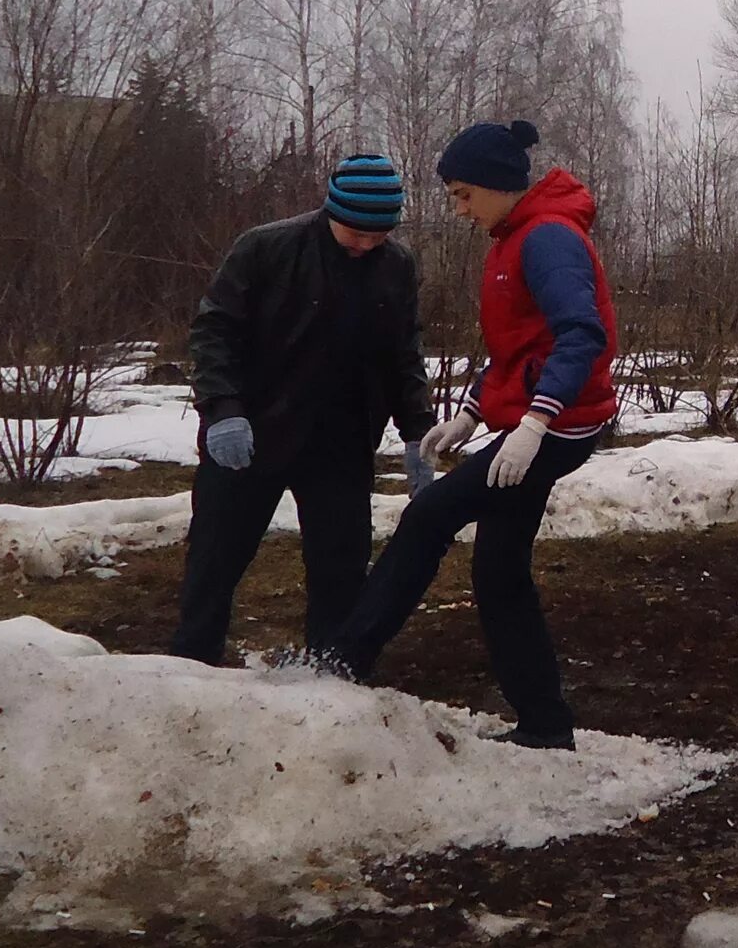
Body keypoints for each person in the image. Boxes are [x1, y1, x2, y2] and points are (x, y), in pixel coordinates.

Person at [320, 120, 618, 749]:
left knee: (431, 514)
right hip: (539, 424)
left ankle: (344, 661)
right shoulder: (514, 240)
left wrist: (537, 421)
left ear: (497, 185)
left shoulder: (547, 242)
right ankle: (544, 725)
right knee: (500, 571)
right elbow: (520, 350)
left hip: (560, 427)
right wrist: (476, 412)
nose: (459, 209)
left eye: (463, 194)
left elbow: (581, 335)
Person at [170, 154, 436, 666]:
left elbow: (402, 353)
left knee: (340, 567)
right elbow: (214, 331)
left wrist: (416, 432)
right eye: (356, 232)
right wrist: (223, 408)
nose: (365, 245)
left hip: (342, 442)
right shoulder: (266, 247)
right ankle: (191, 665)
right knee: (215, 559)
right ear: (332, 211)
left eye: (377, 235)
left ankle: (332, 672)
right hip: (252, 434)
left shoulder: (396, 266)